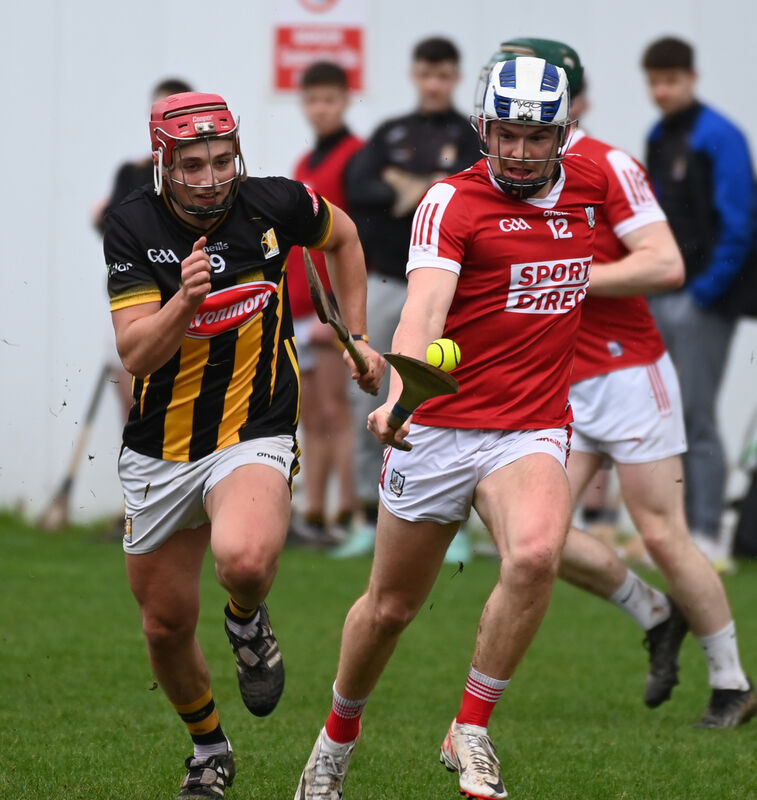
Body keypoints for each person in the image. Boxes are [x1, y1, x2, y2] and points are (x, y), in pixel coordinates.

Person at [294, 56, 611, 800]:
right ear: (483, 127)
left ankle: (470, 728)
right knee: (389, 609)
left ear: (564, 134)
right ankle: (336, 740)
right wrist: (397, 396)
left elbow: (656, 241)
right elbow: (423, 312)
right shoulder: (451, 201)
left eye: (537, 137)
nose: (521, 151)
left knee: (534, 556)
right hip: (435, 426)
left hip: (528, 427)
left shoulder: (595, 184)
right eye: (507, 134)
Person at [103, 91, 384, 799]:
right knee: (165, 626)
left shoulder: (274, 204)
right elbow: (136, 354)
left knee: (247, 559)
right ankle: (208, 748)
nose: (209, 177)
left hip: (252, 431)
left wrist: (356, 336)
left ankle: (246, 619)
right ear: (164, 162)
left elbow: (345, 239)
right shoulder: (133, 223)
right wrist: (183, 301)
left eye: (221, 160)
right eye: (192, 164)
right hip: (158, 448)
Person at [490, 37, 755, 729]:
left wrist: (565, 275)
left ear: (563, 98)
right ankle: (652, 611)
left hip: (628, 373)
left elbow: (664, 264)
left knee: (662, 532)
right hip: (553, 382)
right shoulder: (496, 168)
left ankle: (731, 682)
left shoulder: (605, 163)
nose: (516, 133)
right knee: (527, 543)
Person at [334, 35, 481, 559]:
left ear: (455, 77)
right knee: (366, 394)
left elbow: (471, 191)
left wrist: (406, 186)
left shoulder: (471, 135)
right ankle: (367, 519)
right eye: (427, 74)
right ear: (415, 75)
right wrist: (429, 184)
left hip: (448, 295)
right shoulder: (390, 132)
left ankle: (454, 526)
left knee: (443, 398)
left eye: (444, 75)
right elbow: (360, 190)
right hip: (385, 282)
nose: (435, 84)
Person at [642, 36, 756, 569]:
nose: (662, 91)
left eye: (671, 80)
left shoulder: (720, 136)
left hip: (704, 300)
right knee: (666, 416)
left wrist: (704, 294)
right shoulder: (660, 134)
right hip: (664, 294)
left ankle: (709, 534)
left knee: (698, 414)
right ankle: (677, 532)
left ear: (692, 77)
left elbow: (740, 226)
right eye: (655, 81)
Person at [286, 62, 365, 549]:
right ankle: (313, 514)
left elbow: (354, 241)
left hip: (326, 308)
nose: (321, 109)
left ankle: (347, 515)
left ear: (345, 101)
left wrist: (335, 311)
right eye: (313, 99)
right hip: (295, 302)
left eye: (330, 99)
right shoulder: (302, 163)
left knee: (338, 411)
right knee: (310, 414)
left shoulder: (356, 157)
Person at [93, 77, 194, 423]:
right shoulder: (133, 171)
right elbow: (113, 225)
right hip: (133, 295)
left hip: (180, 296)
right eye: (160, 112)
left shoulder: (203, 176)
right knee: (134, 404)